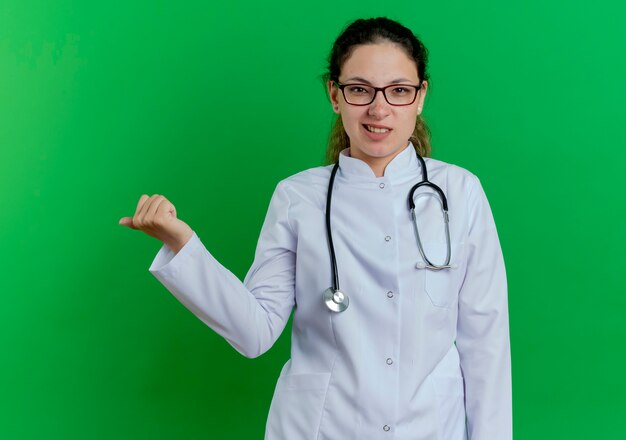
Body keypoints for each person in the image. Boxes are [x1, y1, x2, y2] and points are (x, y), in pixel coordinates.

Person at [119, 17, 512, 440]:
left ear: (420, 97)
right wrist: (183, 246)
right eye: (360, 89)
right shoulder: (298, 197)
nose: (379, 110)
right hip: (322, 429)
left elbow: (486, 346)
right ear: (334, 94)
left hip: (432, 428)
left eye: (398, 91)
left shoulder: (459, 192)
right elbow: (254, 332)